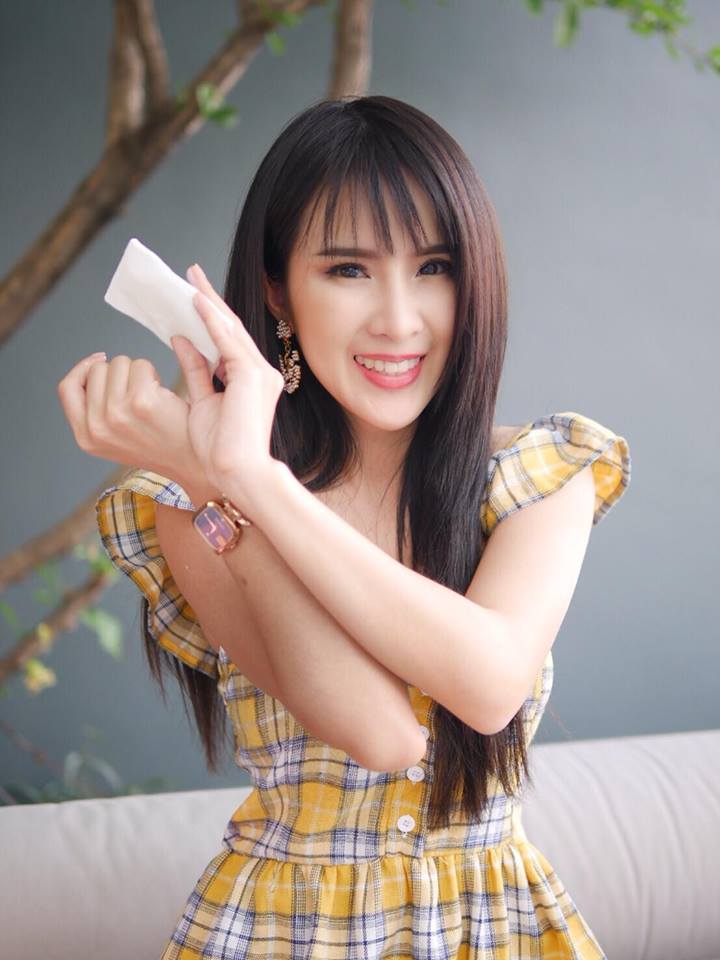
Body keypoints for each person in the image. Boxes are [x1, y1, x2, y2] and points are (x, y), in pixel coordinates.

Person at [58, 95, 631, 959]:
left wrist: (248, 477)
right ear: (276, 291)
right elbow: (381, 735)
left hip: (491, 925)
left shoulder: (543, 473)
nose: (398, 319)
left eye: (434, 266)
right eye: (349, 270)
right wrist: (217, 480)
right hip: (283, 930)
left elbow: (487, 686)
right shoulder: (192, 502)